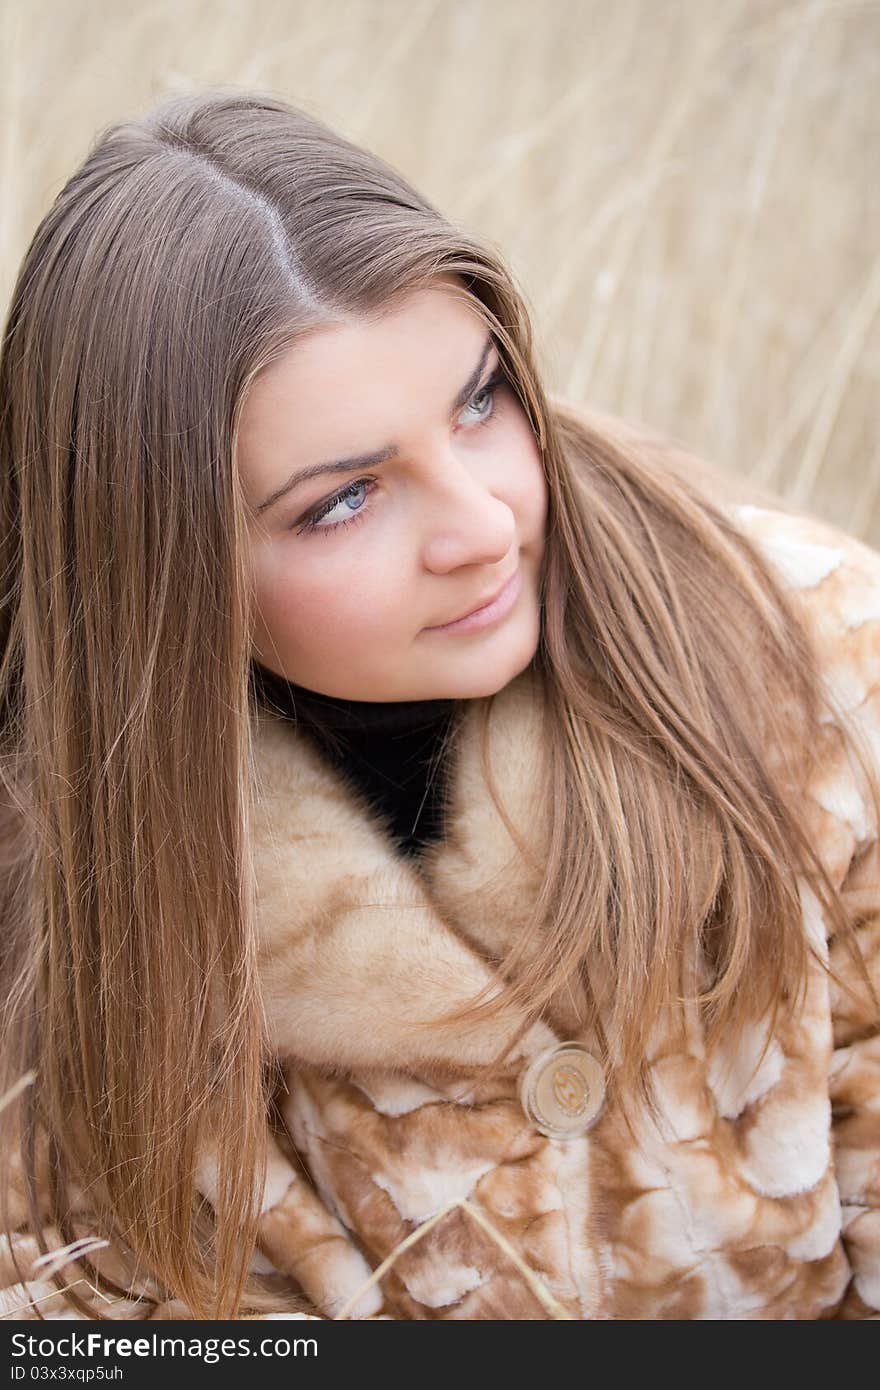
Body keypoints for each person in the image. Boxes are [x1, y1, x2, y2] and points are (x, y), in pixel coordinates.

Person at [0, 86, 878, 1323]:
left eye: (479, 401)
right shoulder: (57, 894)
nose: (480, 527)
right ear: (161, 576)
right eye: (342, 500)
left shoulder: (822, 662)